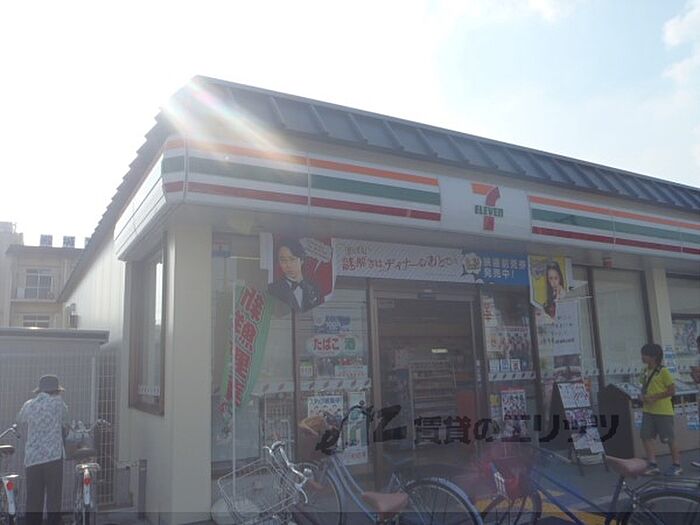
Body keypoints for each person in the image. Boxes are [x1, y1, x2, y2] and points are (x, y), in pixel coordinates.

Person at [17, 375, 70, 525]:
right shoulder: (59, 404)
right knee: (53, 498)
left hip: (33, 459)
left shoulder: (29, 405)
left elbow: (20, 419)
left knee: (33, 500)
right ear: (56, 390)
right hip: (53, 457)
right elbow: (66, 423)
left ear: (39, 390)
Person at [638, 344, 682, 476]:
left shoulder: (663, 371)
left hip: (663, 411)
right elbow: (643, 387)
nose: (642, 357)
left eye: (645, 354)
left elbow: (672, 390)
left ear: (654, 356)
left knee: (669, 438)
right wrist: (642, 396)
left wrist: (654, 397)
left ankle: (677, 465)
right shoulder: (644, 371)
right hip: (648, 410)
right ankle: (652, 464)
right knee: (645, 436)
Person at [268, 238, 322, 312]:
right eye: (283, 260)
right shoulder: (272, 290)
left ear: (302, 260)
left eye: (292, 259)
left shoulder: (315, 288)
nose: (288, 265)